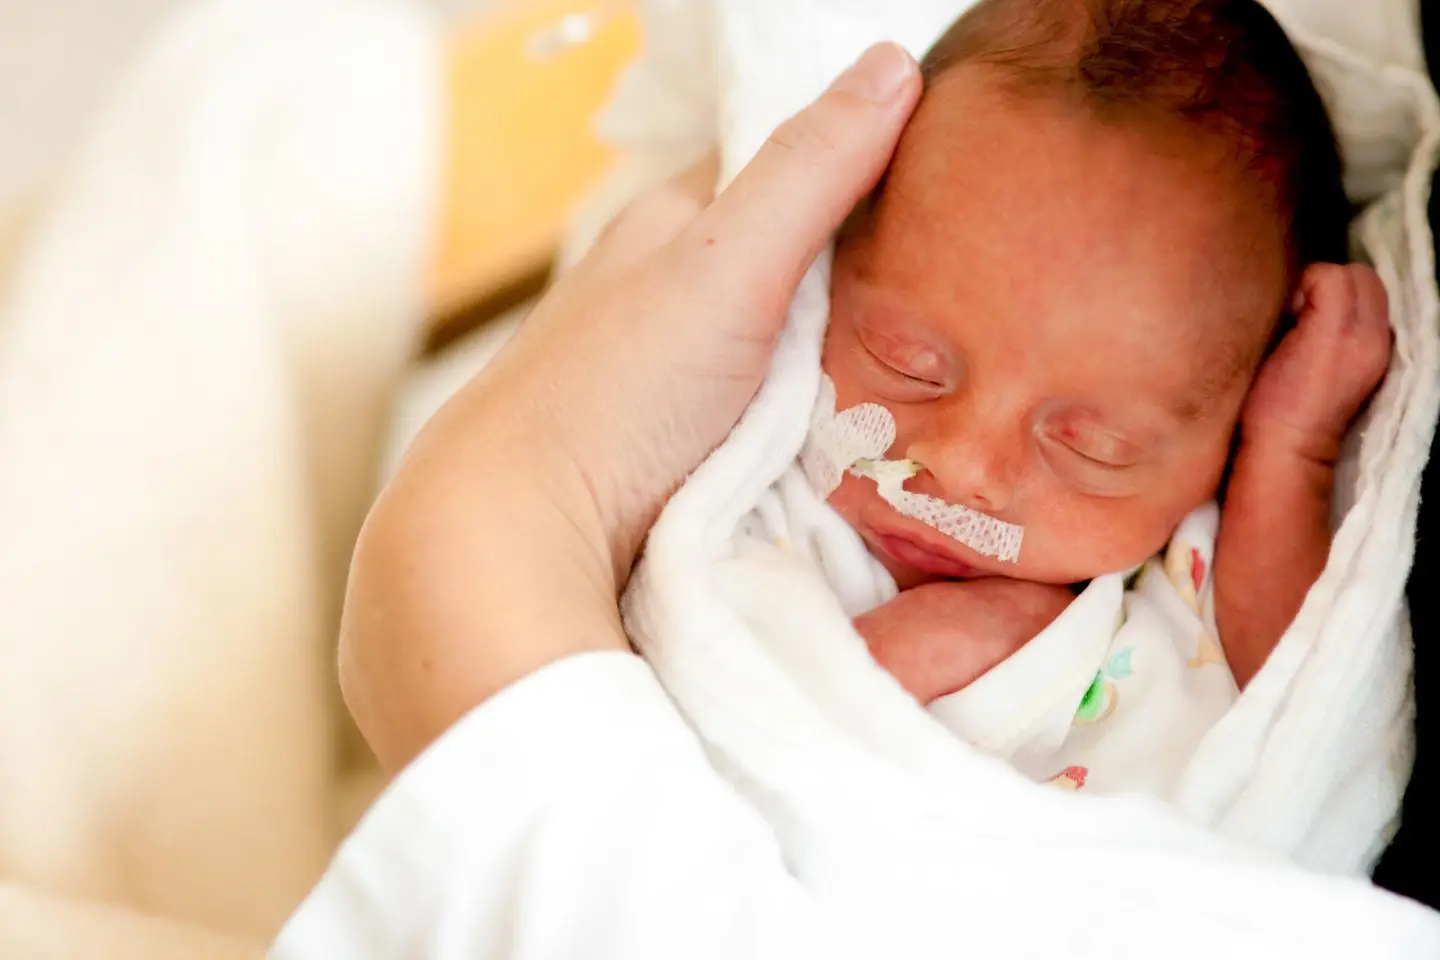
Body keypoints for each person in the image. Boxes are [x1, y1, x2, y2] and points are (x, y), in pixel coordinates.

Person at [273, 41, 1434, 960]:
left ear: (1216, 439)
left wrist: (1293, 452)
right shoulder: (773, 491)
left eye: (1091, 445)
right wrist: (908, 651)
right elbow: (698, 696)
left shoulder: (1191, 558)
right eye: (909, 363)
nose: (962, 468)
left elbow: (1301, 691)